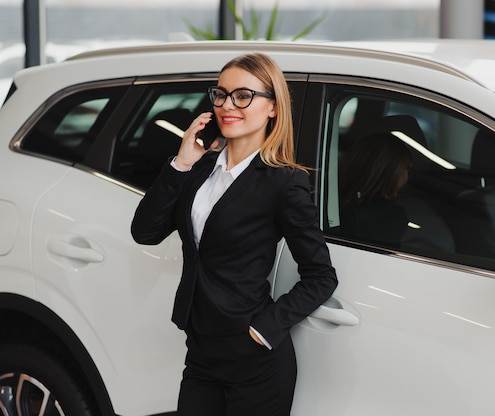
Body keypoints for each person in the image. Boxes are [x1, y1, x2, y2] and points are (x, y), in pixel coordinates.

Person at [131, 53, 338, 416]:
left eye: (244, 96)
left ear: (272, 107)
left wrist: (265, 328)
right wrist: (181, 163)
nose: (228, 105)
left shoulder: (284, 182)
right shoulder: (199, 168)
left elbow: (321, 276)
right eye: (221, 94)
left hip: (253, 360)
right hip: (200, 353)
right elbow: (145, 231)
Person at [339, 131, 412, 248]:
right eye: (407, 168)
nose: (407, 175)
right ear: (392, 172)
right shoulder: (390, 215)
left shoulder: (334, 201)